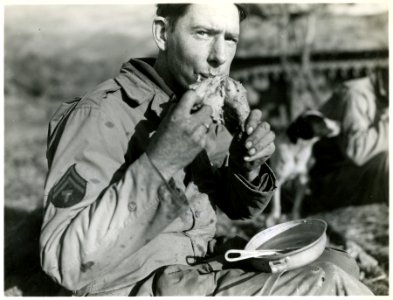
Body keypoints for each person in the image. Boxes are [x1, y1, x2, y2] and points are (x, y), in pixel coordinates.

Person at [40, 3, 373, 296]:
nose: (220, 56)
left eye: (230, 39)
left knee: (339, 263)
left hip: (196, 266)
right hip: (134, 284)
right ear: (162, 33)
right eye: (203, 33)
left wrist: (247, 166)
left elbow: (235, 209)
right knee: (333, 284)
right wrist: (160, 161)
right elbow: (64, 261)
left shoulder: (196, 104)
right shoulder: (101, 113)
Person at [304, 67, 389, 213]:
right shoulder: (355, 94)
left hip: (352, 175)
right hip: (330, 181)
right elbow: (357, 152)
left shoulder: (382, 93)